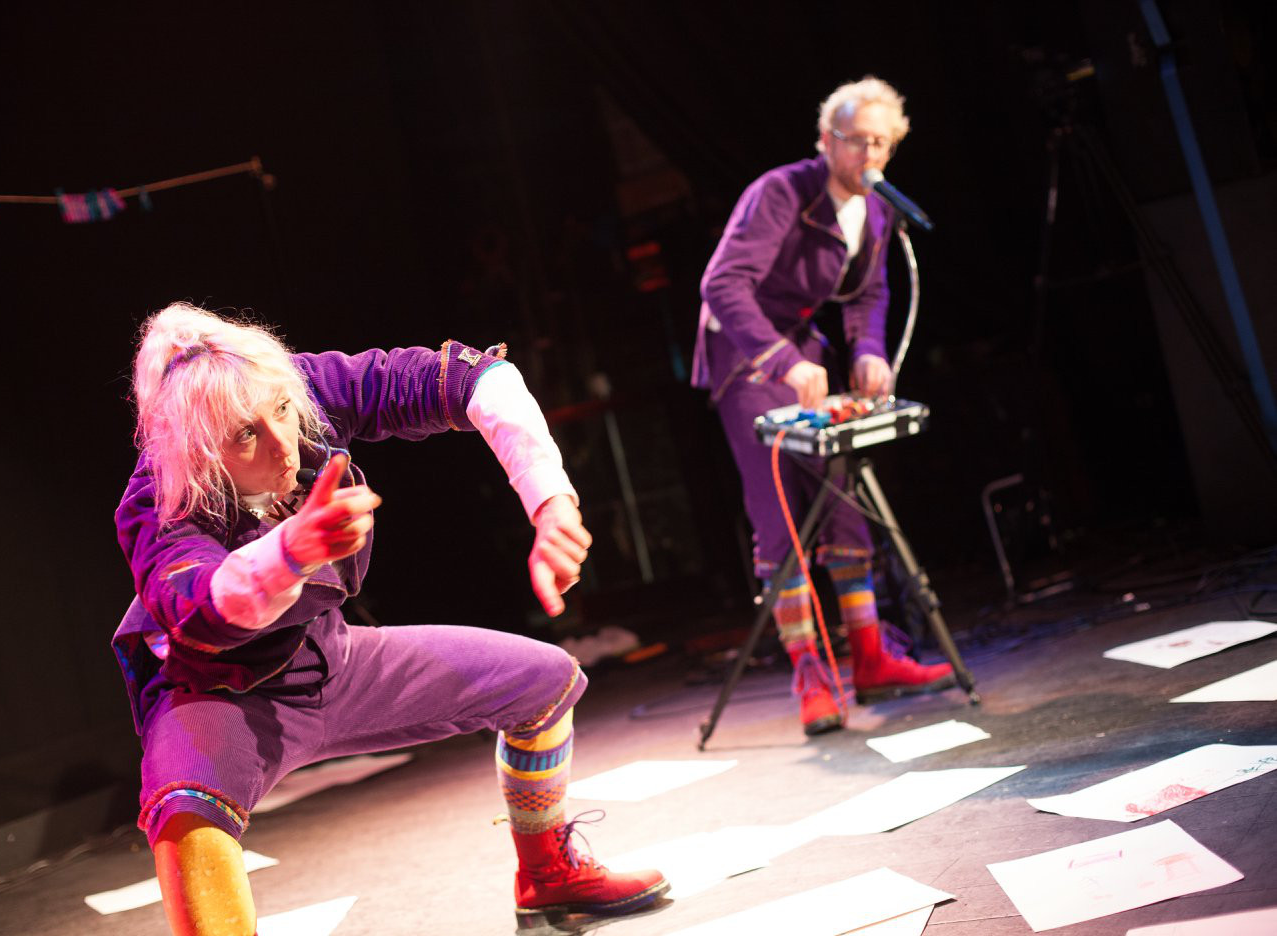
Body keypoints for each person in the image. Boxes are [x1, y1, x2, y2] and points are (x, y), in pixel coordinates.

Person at [112, 302, 667, 936]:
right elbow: (201, 609)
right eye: (246, 435)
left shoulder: (293, 388)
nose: (284, 444)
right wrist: (286, 554)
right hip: (220, 699)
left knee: (544, 682)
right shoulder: (161, 499)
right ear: (200, 452)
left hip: (335, 660)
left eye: (285, 415)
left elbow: (471, 380)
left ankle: (545, 875)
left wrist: (550, 499)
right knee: (184, 805)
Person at [690, 76, 955, 736]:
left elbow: (869, 295)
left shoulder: (879, 207)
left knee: (842, 495)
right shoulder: (780, 192)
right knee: (778, 511)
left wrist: (868, 350)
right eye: (855, 140)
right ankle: (811, 671)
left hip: (802, 351)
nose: (869, 154)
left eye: (881, 143)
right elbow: (721, 284)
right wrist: (781, 361)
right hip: (745, 356)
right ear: (825, 140)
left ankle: (869, 655)